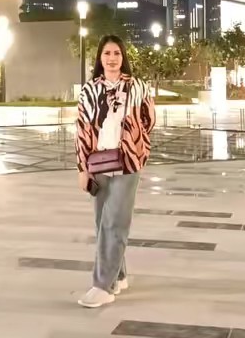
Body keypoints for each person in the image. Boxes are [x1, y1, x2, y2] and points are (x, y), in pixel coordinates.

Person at [75, 34, 156, 308]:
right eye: (107, 53)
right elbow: (82, 130)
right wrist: (82, 168)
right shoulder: (89, 90)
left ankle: (103, 286)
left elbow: (149, 120)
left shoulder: (137, 87)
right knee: (102, 223)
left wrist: (136, 145)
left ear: (123, 57)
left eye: (117, 53)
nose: (112, 58)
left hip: (127, 163)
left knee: (115, 222)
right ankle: (119, 276)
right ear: (100, 58)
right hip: (98, 163)